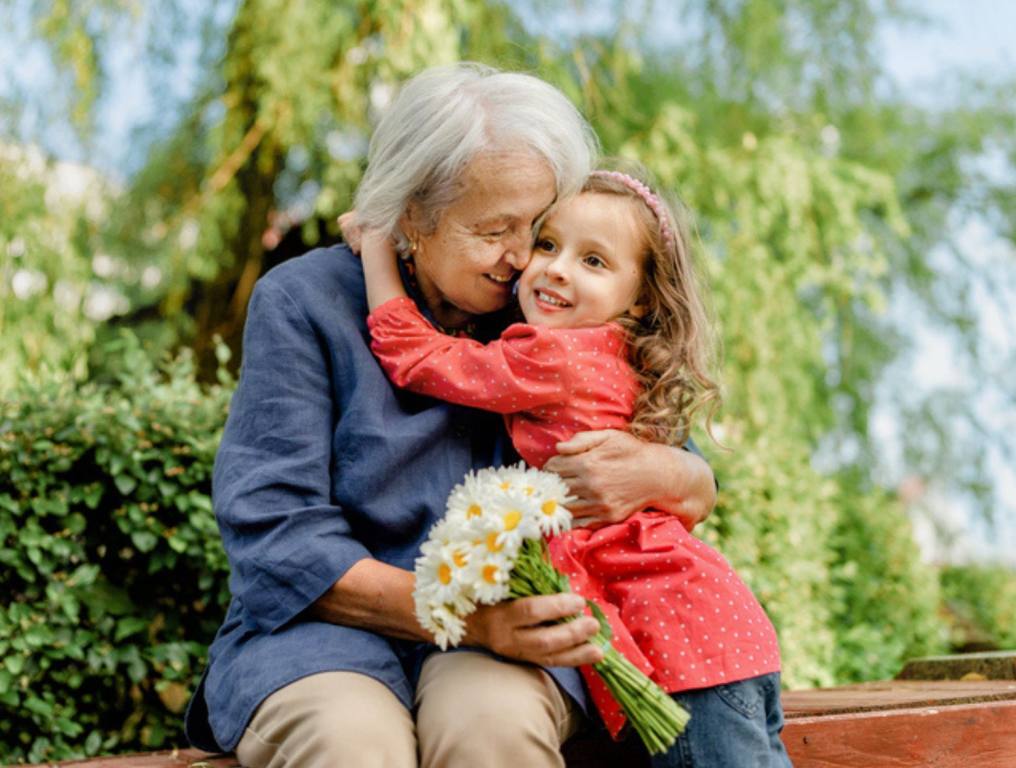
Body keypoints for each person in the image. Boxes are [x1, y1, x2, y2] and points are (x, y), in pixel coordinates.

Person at [183, 63, 719, 768]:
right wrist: (470, 618)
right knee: (351, 745)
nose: (528, 258)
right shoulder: (304, 302)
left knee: (491, 730)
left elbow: (690, 480)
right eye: (494, 230)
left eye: (542, 227)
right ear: (411, 213)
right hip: (322, 631)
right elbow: (277, 536)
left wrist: (665, 469)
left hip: (519, 627)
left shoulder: (559, 306)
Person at [360, 168, 792, 767]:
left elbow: (418, 357)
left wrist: (378, 244)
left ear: (639, 296)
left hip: (686, 655)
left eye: (594, 261)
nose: (557, 268)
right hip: (717, 638)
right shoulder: (620, 353)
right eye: (547, 245)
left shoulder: (555, 355)